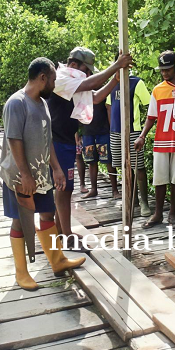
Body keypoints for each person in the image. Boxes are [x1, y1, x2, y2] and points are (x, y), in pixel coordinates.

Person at [0, 57, 86, 290]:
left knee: (47, 214)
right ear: (42, 77)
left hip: (42, 173)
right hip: (20, 177)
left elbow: (48, 141)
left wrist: (56, 169)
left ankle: (58, 261)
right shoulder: (17, 103)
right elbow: (14, 140)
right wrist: (25, 175)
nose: (55, 84)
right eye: (54, 79)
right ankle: (21, 273)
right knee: (21, 221)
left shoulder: (42, 103)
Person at [47, 47, 132, 237]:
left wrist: (114, 80)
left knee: (65, 189)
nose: (87, 75)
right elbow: (89, 84)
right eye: (86, 70)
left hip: (66, 140)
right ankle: (65, 234)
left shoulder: (73, 82)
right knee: (63, 189)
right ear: (74, 65)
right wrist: (115, 66)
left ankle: (62, 230)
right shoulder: (61, 78)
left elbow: (94, 97)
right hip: (57, 141)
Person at [135, 51, 175, 228]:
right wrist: (142, 135)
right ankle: (158, 213)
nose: (165, 73)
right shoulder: (158, 90)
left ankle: (172, 213)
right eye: (162, 70)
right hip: (162, 139)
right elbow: (152, 116)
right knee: (160, 179)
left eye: (168, 69)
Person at [109, 74, 152, 214]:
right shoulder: (111, 83)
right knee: (123, 166)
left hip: (134, 130)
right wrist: (112, 126)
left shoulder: (136, 82)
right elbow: (108, 105)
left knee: (138, 166)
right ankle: (132, 200)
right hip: (116, 131)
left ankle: (144, 202)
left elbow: (150, 104)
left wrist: (143, 131)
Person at [81, 96, 111, 198]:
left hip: (103, 131)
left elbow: (109, 109)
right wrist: (77, 134)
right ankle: (93, 189)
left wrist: (111, 128)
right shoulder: (83, 92)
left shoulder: (104, 92)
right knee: (91, 161)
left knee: (108, 160)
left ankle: (115, 190)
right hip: (88, 132)